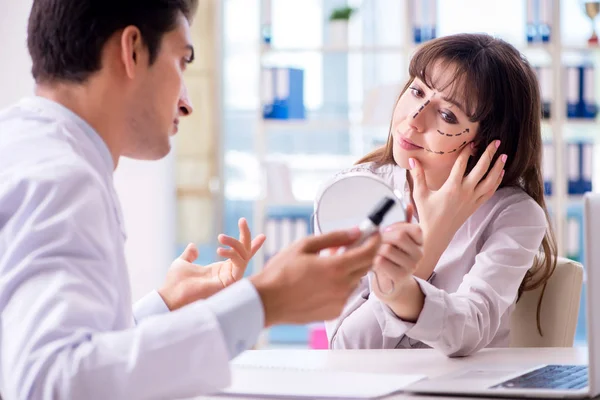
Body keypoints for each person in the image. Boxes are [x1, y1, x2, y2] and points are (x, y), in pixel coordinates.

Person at [0, 1, 383, 399]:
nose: (187, 102)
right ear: (131, 50)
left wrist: (162, 307)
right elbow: (49, 382)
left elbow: (57, 356)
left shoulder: (27, 146)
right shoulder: (63, 178)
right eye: (182, 61)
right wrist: (264, 301)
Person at [323, 33, 557, 357]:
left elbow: (470, 331)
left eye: (448, 115)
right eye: (417, 90)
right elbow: (347, 348)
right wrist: (429, 240)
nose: (414, 119)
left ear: (488, 143)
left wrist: (426, 247)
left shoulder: (515, 215)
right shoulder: (352, 193)